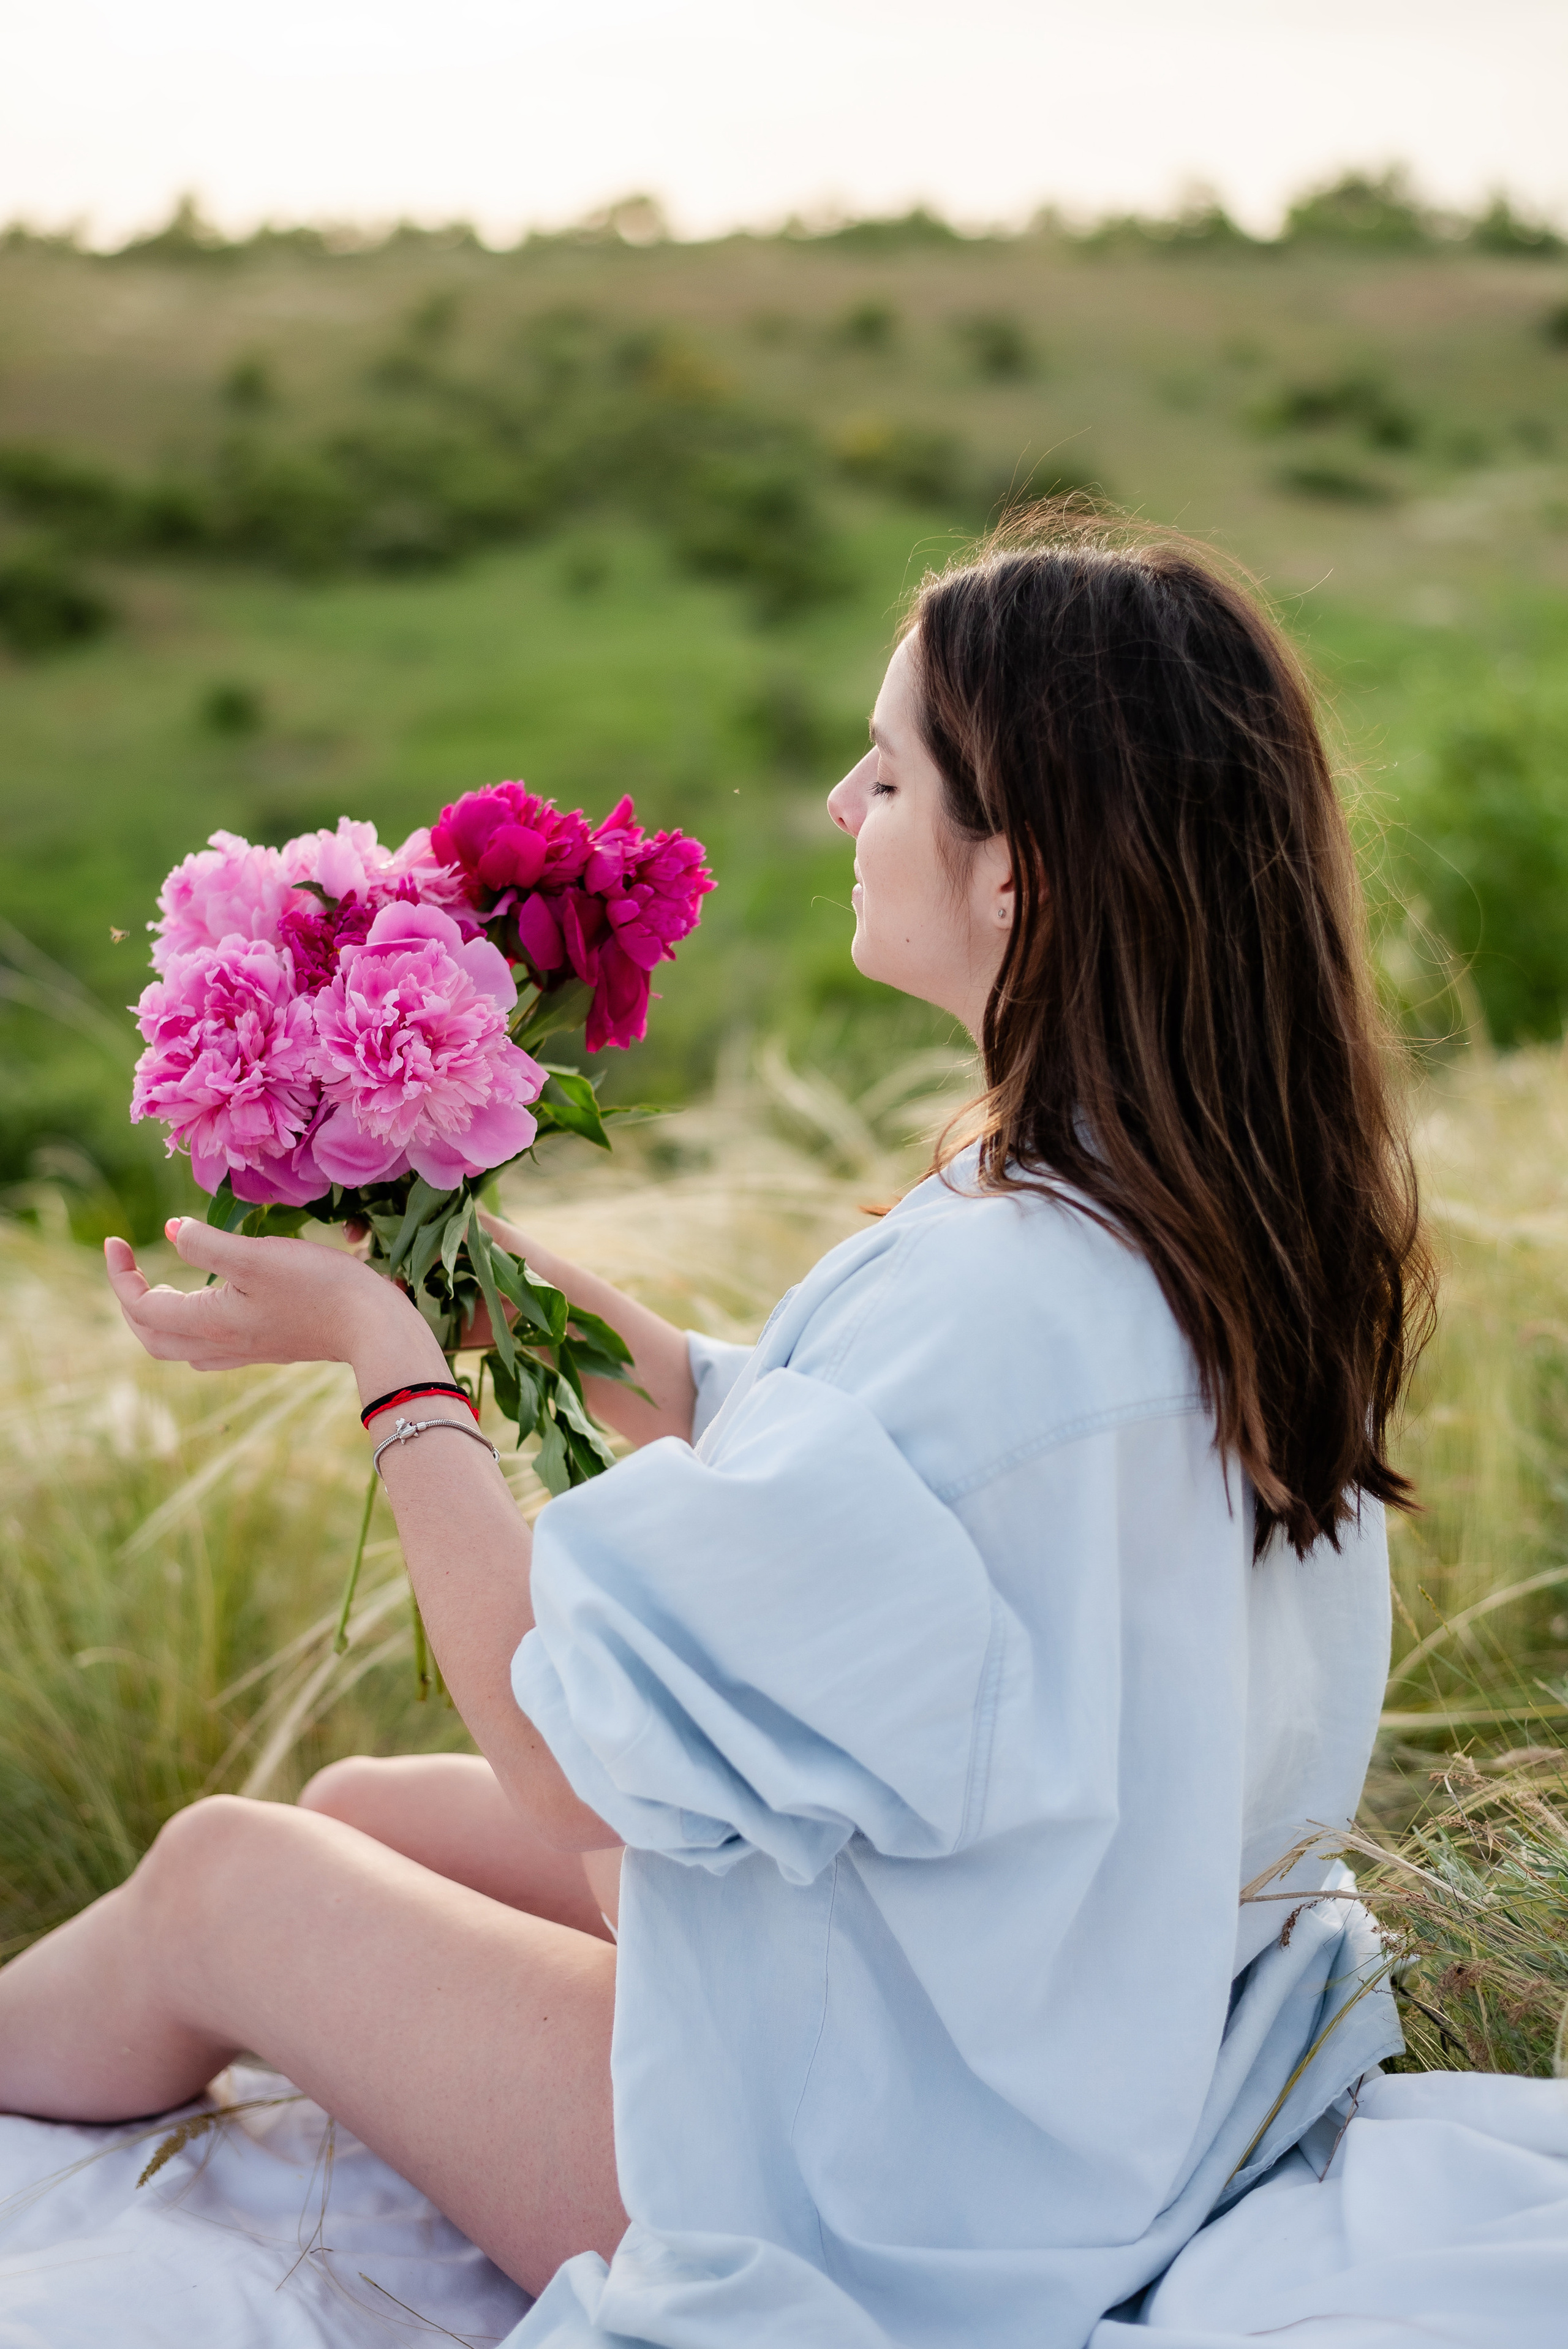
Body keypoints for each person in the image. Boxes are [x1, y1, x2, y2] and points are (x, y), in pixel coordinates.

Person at [0, 517, 1455, 2345]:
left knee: (230, 1874)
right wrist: (477, 1287)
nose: (847, 802)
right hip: (1081, 2039)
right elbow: (847, 1485)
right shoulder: (1214, 1234)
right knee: (365, 1809)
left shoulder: (995, 1300)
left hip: (890, 2183)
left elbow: (563, 1745)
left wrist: (390, 1366)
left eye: (897, 768)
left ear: (1030, 880)